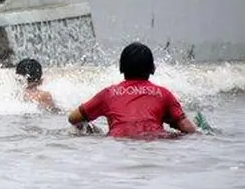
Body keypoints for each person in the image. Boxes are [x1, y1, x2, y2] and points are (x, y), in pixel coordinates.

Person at [66, 42, 198, 139]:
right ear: (153, 69)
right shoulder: (164, 94)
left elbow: (73, 118)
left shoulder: (108, 94)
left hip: (118, 143)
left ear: (121, 69)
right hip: (155, 143)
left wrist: (93, 130)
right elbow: (188, 129)